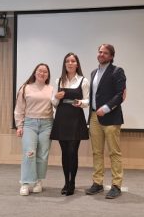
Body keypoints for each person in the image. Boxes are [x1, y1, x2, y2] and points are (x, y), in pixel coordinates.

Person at [85, 44, 126, 199]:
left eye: (105, 53)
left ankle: (116, 185)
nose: (101, 54)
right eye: (100, 52)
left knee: (114, 152)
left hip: (111, 117)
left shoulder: (117, 71)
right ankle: (97, 183)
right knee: (97, 152)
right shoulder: (94, 72)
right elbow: (94, 96)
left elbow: (120, 94)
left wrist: (107, 107)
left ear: (111, 56)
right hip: (94, 117)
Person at [50, 53, 89, 196]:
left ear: (77, 64)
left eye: (73, 61)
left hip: (76, 118)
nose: (70, 63)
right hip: (62, 117)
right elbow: (54, 103)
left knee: (73, 152)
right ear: (65, 64)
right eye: (68, 61)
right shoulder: (59, 80)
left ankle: (72, 183)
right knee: (65, 153)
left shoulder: (83, 80)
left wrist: (81, 103)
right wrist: (56, 97)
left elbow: (88, 100)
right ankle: (66, 182)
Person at [14, 63, 54, 196]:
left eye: (45, 72)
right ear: (35, 72)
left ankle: (38, 181)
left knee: (43, 155)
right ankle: (25, 183)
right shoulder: (25, 88)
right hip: (29, 124)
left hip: (47, 124)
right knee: (29, 153)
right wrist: (19, 125)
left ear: (48, 75)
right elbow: (19, 108)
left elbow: (56, 106)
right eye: (39, 71)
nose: (42, 73)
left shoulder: (51, 89)